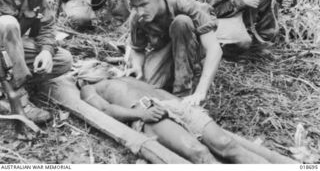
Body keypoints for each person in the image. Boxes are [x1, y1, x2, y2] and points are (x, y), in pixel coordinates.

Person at [80, 76, 270, 164]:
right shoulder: (89, 87)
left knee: (226, 144)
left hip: (174, 104)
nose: (97, 63)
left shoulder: (122, 75)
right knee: (199, 153)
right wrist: (141, 115)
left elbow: (158, 90)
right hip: (145, 111)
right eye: (91, 63)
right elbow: (104, 110)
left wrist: (184, 107)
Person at [0, 0, 73, 123]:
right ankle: (19, 98)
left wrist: (47, 51)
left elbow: (47, 26)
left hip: (11, 55)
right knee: (7, 23)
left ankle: (11, 85)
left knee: (64, 60)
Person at [116, 0, 222, 106]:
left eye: (144, 4)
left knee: (181, 23)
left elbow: (214, 49)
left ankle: (182, 93)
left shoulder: (183, 3)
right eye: (135, 6)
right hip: (166, 49)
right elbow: (138, 49)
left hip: (193, 47)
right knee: (147, 87)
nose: (140, 11)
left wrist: (201, 91)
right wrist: (137, 67)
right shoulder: (137, 17)